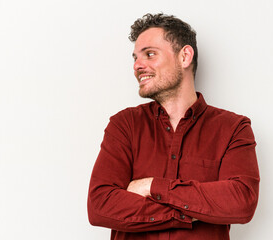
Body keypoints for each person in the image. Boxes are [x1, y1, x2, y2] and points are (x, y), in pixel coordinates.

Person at [87, 13, 259, 240]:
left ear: (185, 56)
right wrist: (191, 211)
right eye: (135, 58)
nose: (138, 66)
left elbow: (241, 201)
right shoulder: (124, 125)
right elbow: (100, 204)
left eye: (150, 54)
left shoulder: (234, 128)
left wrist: (152, 187)